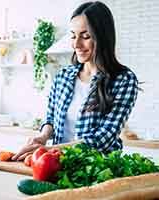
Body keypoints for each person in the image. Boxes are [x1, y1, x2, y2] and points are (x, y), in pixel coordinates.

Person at [12, 1, 138, 161]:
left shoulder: (123, 80)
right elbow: (50, 117)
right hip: (56, 165)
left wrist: (48, 150)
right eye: (73, 35)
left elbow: (103, 138)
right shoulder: (63, 76)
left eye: (85, 36)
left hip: (97, 169)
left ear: (103, 37)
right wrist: (43, 136)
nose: (76, 44)